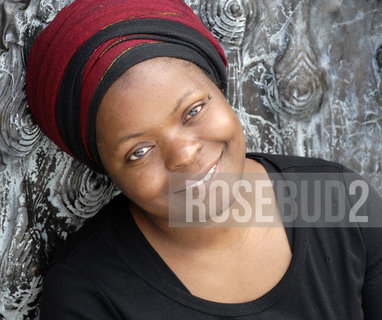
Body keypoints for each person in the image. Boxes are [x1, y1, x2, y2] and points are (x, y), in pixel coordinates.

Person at [25, 0, 382, 318]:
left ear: (221, 89)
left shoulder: (337, 200)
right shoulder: (90, 292)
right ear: (107, 172)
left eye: (193, 110)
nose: (183, 154)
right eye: (138, 151)